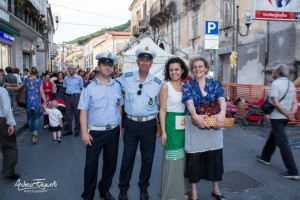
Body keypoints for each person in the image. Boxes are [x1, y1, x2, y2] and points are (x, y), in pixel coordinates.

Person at [117, 46, 162, 200]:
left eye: (147, 60)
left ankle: (144, 188)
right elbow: (112, 88)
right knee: (127, 158)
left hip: (149, 125)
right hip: (130, 124)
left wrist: (160, 127)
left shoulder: (157, 83)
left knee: (147, 159)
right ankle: (123, 188)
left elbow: (161, 107)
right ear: (137, 61)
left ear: (151, 63)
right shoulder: (126, 77)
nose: (144, 63)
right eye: (141, 60)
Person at [78, 52, 123, 200]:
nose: (108, 67)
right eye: (105, 64)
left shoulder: (117, 85)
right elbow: (83, 110)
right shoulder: (89, 86)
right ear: (99, 67)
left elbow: (119, 107)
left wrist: (120, 128)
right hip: (95, 132)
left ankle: (104, 190)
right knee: (91, 166)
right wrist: (84, 132)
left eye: (110, 65)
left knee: (110, 165)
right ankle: (88, 195)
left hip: (113, 131)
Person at [182, 57, 226, 200]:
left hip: (214, 126)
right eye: (195, 67)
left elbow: (222, 100)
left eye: (200, 66)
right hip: (194, 127)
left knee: (214, 158)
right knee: (194, 159)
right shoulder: (188, 85)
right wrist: (195, 115)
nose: (197, 69)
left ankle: (216, 189)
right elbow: (189, 102)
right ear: (192, 70)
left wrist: (222, 114)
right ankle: (194, 193)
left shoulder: (215, 84)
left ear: (206, 68)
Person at [257, 64, 299, 180]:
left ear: (278, 73)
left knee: (282, 142)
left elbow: (275, 102)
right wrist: (291, 113)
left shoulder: (275, 84)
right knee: (273, 138)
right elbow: (295, 102)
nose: (272, 72)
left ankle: (293, 170)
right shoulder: (291, 84)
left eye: (274, 71)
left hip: (277, 117)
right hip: (285, 117)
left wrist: (286, 113)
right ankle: (265, 157)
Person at [159, 57, 188, 200]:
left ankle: (181, 191)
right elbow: (162, 110)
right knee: (172, 160)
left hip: (184, 126)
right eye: (171, 70)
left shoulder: (186, 86)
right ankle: (171, 194)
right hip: (171, 125)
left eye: (177, 69)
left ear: (182, 70)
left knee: (183, 159)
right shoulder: (166, 86)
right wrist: (163, 131)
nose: (174, 72)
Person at [8, 67, 46, 144]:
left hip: (28, 103)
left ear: (30, 73)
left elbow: (18, 88)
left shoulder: (26, 80)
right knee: (36, 118)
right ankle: (35, 133)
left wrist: (9, 87)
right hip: (36, 103)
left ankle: (32, 130)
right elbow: (42, 92)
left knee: (29, 118)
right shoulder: (39, 81)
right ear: (37, 73)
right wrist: (45, 101)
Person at [0, 86, 18, 180]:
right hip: (1, 119)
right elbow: (6, 108)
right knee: (9, 146)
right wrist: (11, 122)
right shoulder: (2, 91)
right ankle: (9, 172)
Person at [63, 64, 83, 137]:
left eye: (71, 68)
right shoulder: (66, 78)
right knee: (68, 114)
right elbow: (64, 87)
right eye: (68, 68)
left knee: (77, 114)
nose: (69, 69)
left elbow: (81, 88)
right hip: (68, 97)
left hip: (76, 97)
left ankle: (77, 130)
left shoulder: (79, 78)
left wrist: (80, 98)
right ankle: (69, 130)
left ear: (74, 70)